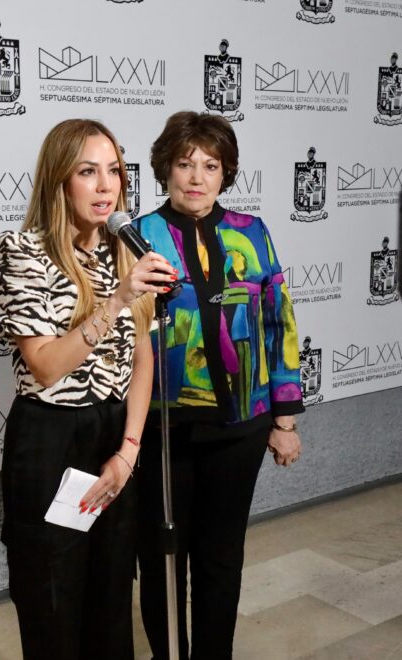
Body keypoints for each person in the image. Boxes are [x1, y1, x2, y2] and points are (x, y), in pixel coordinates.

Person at [0, 119, 176, 660]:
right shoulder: (22, 251)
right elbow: (45, 366)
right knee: (52, 599)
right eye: (88, 171)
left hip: (115, 433)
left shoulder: (126, 249)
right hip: (50, 439)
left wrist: (128, 451)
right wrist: (116, 301)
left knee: (112, 597)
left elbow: (142, 357)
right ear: (59, 180)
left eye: (114, 171)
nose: (106, 185)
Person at [133, 111, 304, 660]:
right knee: (162, 561)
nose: (196, 177)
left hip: (241, 427)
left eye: (211, 166)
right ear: (165, 169)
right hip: (161, 430)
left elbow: (278, 323)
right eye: (185, 164)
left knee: (222, 559)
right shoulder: (138, 236)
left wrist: (284, 419)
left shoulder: (252, 232)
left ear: (226, 173)